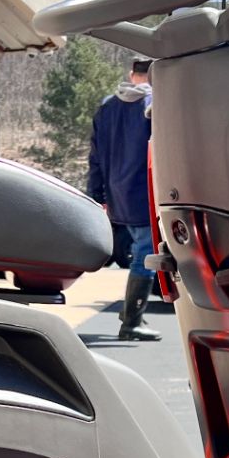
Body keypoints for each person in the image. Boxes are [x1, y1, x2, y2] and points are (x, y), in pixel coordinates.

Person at [86, 58, 159, 342]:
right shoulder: (154, 108)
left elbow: (95, 157)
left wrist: (96, 195)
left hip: (117, 195)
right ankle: (132, 322)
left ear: (131, 75)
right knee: (146, 254)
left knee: (141, 250)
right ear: (155, 76)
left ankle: (131, 311)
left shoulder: (106, 108)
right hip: (144, 193)